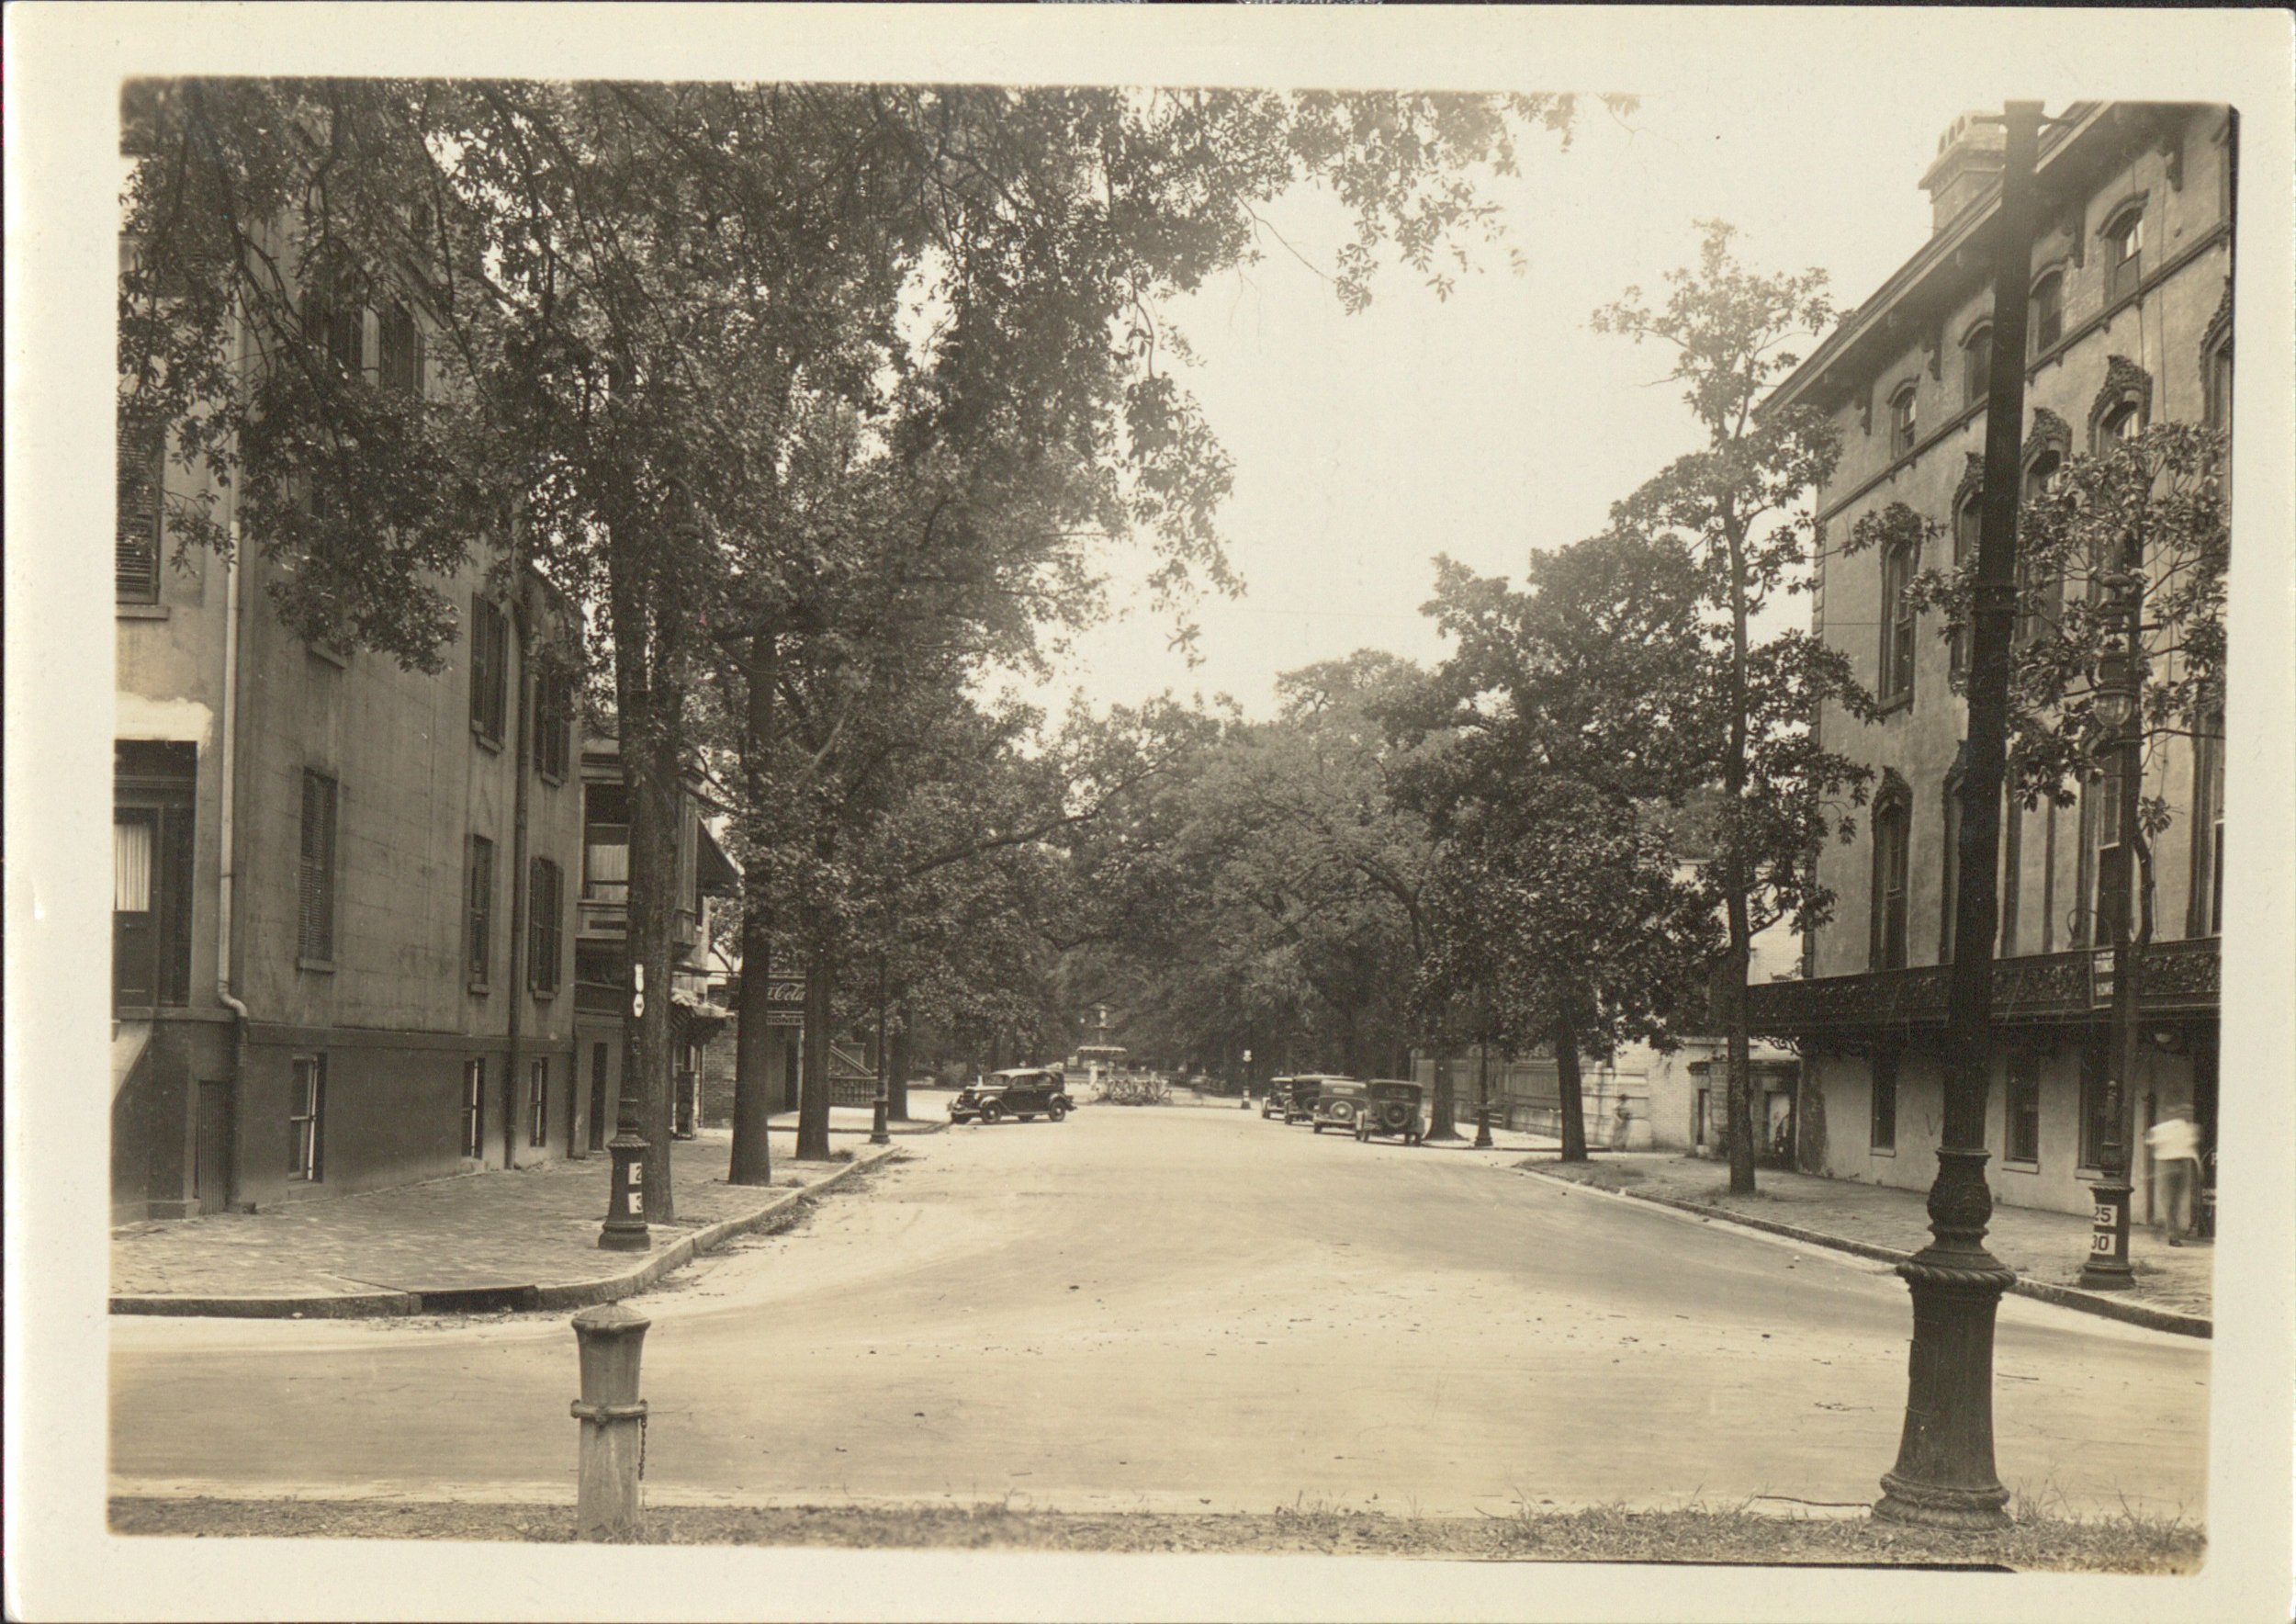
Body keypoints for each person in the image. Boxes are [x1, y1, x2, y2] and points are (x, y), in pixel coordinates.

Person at [2144, 1103, 2204, 1246]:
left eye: (2190, 1111)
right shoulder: (2166, 1128)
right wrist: (2152, 1164)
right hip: (2167, 1164)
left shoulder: (2191, 1129)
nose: (2187, 1114)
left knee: (2177, 1201)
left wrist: (2199, 1166)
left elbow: (2192, 1150)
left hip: (2183, 1165)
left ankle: (2163, 1225)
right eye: (2185, 1111)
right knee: (2170, 1201)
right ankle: (2172, 1235)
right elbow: (2150, 1140)